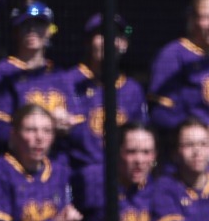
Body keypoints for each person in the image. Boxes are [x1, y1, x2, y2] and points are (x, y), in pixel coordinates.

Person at [147, 0, 209, 149]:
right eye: (206, 17)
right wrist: (202, 129)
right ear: (192, 18)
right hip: (185, 154)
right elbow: (159, 113)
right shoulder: (173, 55)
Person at [0, 0, 76, 152]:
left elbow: (80, 128)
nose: (32, 30)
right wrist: (42, 129)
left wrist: (68, 125)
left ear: (49, 31)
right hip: (17, 163)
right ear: (16, 31)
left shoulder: (61, 75)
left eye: (39, 24)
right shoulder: (3, 72)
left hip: (58, 164)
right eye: (25, 25)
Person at [61, 14, 147, 171]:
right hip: (77, 172)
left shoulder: (133, 89)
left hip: (121, 175)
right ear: (88, 42)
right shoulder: (67, 82)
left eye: (115, 36)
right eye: (101, 34)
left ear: (124, 44)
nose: (108, 41)